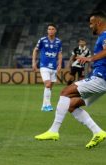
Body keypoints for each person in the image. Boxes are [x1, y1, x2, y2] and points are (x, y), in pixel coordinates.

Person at [34, 10, 106, 149]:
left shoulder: (105, 36)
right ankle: (98, 132)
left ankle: (54, 131)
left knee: (65, 92)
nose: (90, 26)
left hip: (100, 78)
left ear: (98, 22)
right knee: (72, 105)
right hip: (100, 79)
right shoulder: (101, 37)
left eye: (91, 23)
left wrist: (90, 58)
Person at [32, 23, 63, 112]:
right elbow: (35, 50)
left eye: (52, 29)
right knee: (48, 84)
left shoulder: (58, 41)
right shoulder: (42, 40)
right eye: (49, 29)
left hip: (53, 67)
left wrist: (60, 64)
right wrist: (34, 62)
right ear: (47, 30)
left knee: (50, 87)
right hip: (44, 66)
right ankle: (48, 105)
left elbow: (60, 53)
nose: (50, 31)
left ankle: (43, 106)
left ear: (55, 30)